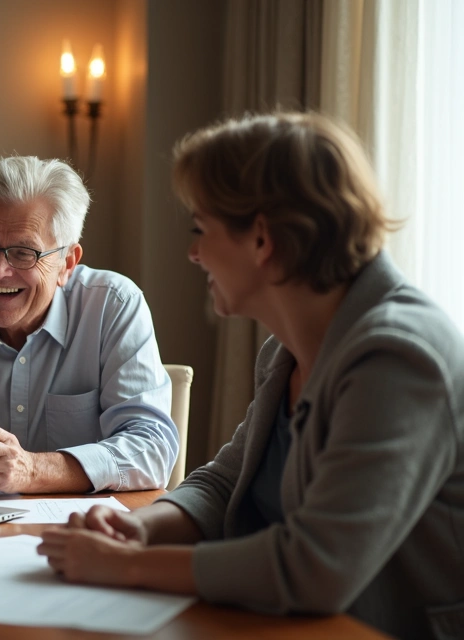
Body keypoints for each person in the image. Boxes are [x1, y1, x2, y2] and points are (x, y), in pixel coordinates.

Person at [38, 113, 464, 639]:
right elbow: (223, 484)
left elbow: (317, 567)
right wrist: (137, 528)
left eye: (201, 229)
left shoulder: (398, 358)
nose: (193, 253)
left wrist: (123, 566)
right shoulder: (284, 350)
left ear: (261, 240)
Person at [0, 156, 178, 493]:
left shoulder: (113, 306)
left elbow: (152, 451)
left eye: (24, 253)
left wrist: (33, 470)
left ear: (67, 263)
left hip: (82, 534)